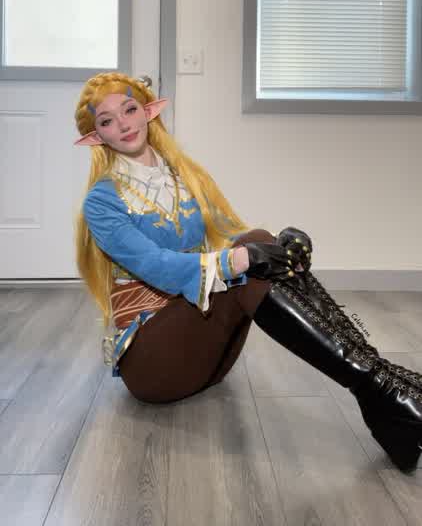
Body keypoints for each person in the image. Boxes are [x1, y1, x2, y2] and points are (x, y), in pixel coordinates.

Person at [74, 71, 422, 473]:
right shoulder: (101, 201)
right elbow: (158, 267)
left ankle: (383, 386)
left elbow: (229, 234)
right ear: (96, 137)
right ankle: (385, 393)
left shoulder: (183, 175)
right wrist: (243, 259)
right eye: (107, 121)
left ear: (148, 111)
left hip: (209, 360)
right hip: (155, 367)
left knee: (258, 240)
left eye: (130, 110)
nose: (123, 124)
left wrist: (283, 249)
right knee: (245, 262)